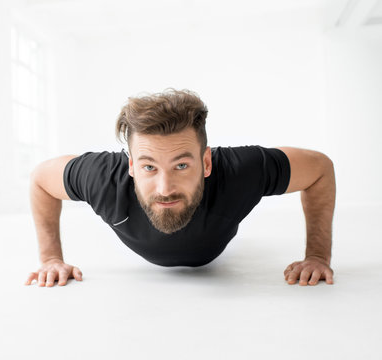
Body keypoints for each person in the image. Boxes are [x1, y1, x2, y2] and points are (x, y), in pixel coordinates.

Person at [25, 89, 336, 288]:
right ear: (131, 166)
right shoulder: (102, 179)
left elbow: (320, 168)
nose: (165, 188)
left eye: (182, 166)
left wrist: (318, 255)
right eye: (149, 167)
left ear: (207, 163)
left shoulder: (242, 172)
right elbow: (41, 179)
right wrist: (51, 258)